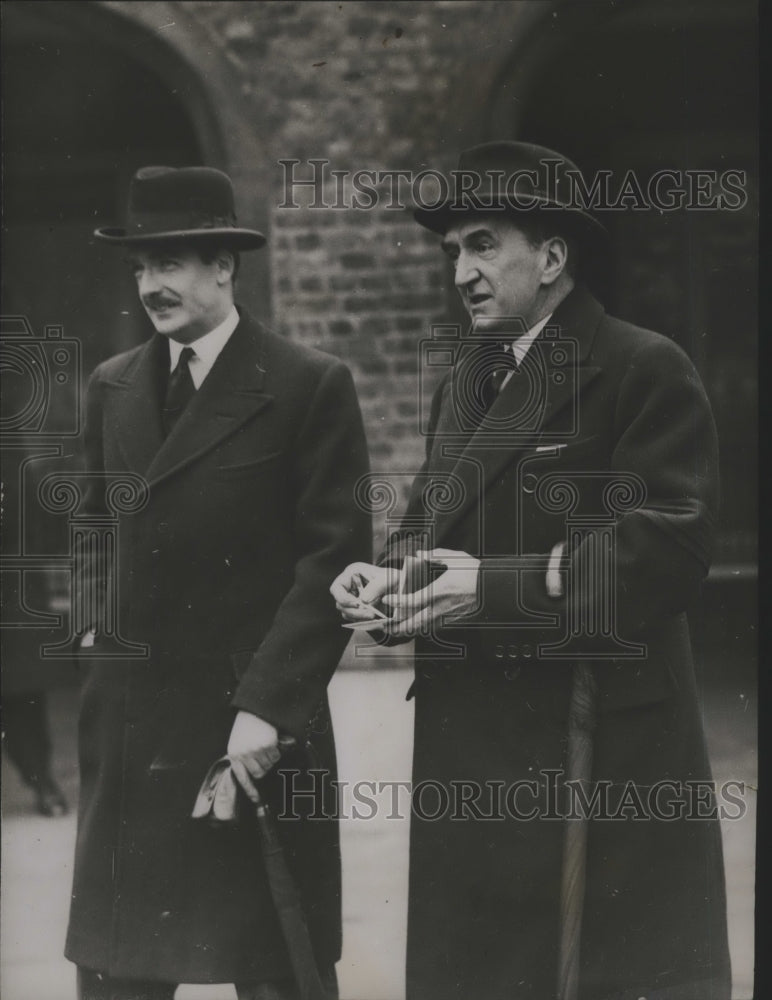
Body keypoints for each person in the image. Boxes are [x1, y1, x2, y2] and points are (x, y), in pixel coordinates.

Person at [331, 142, 731, 1000]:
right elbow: (430, 527)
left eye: (484, 244)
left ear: (552, 258)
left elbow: (672, 548)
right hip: (471, 751)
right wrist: (385, 579)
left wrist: (494, 586)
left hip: (595, 754)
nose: (462, 273)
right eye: (452, 254)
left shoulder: (639, 366)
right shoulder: (465, 384)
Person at [65, 165, 371, 1000]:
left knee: (277, 966)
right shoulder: (113, 384)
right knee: (121, 966)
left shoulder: (307, 384)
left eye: (168, 263)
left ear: (225, 269)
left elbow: (332, 561)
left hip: (253, 726)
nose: (149, 285)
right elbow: (91, 522)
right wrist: (96, 628)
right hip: (135, 732)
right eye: (138, 267)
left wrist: (269, 708)